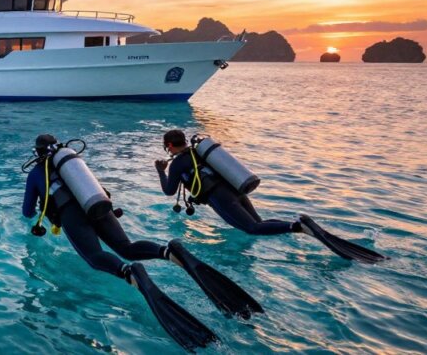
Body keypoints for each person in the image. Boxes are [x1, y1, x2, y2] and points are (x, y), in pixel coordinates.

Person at [23, 134, 263, 351]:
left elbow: (27, 210)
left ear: (38, 153)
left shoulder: (36, 173)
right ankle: (168, 252)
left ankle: (129, 272)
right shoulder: (73, 165)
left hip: (71, 214)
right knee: (126, 247)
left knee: (95, 257)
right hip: (98, 206)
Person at [155, 129, 386, 263]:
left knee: (252, 229)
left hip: (220, 197)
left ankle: (298, 227)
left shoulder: (178, 163)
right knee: (259, 223)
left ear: (169, 145)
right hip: (236, 190)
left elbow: (168, 191)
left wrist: (161, 172)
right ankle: (300, 227)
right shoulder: (200, 152)